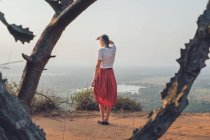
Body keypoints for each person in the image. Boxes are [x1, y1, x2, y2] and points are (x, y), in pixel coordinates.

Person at [91, 34, 117, 125]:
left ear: (102, 41)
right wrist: (104, 39)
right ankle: (106, 119)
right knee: (109, 96)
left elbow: (98, 65)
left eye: (100, 41)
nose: (99, 42)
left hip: (102, 73)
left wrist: (94, 79)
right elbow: (112, 43)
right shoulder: (113, 49)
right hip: (110, 73)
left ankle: (102, 119)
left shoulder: (101, 50)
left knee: (100, 95)